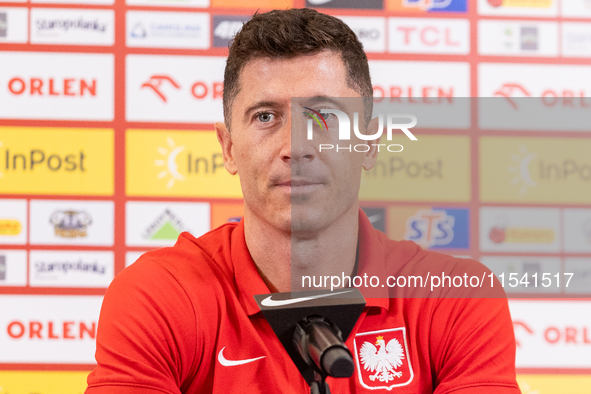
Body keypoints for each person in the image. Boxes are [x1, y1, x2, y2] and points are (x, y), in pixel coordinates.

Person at [85, 8, 519, 394]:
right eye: (266, 116)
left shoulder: (457, 299)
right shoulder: (160, 295)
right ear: (229, 147)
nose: (297, 146)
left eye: (324, 116)